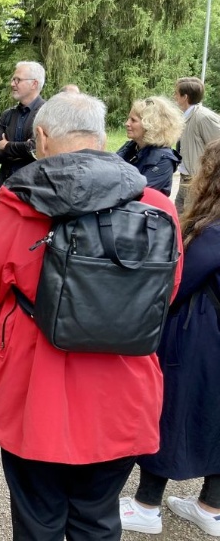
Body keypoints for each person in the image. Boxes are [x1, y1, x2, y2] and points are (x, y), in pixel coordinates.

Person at [0, 93, 183, 541]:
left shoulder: (19, 209)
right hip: (122, 394)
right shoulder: (157, 206)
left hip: (35, 392)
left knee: (37, 521)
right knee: (98, 520)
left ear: (40, 137)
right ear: (101, 138)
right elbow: (165, 293)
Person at [120, 139, 220, 538]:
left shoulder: (212, 233)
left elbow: (177, 285)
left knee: (170, 412)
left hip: (201, 339)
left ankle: (146, 505)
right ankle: (211, 506)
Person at [0, 61, 46, 201]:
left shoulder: (47, 113)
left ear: (34, 84)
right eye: (13, 79)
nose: (12, 84)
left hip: (33, 192)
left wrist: (6, 146)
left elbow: (35, 149)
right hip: (5, 189)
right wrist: (21, 151)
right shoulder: (8, 115)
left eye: (17, 80)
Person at [116, 96, 183, 197]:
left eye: (133, 120)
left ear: (150, 125)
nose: (127, 123)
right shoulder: (132, 147)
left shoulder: (164, 160)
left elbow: (138, 193)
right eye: (128, 119)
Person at [174, 77, 220, 213]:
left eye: (176, 93)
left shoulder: (203, 117)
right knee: (176, 222)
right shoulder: (186, 116)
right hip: (185, 180)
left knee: (189, 225)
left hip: (197, 182)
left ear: (185, 97)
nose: (174, 97)